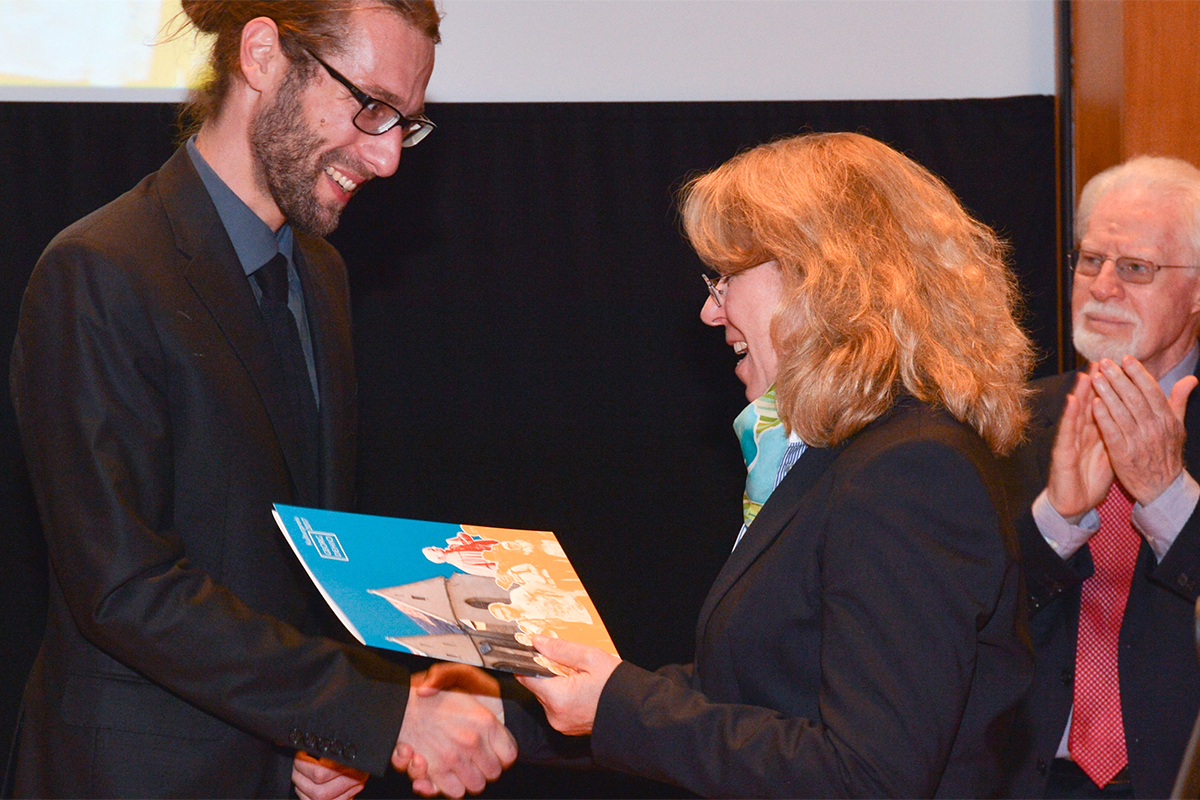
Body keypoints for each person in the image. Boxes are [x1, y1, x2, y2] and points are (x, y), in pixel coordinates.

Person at [5, 2, 515, 798]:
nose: (387, 160)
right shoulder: (100, 271)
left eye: (405, 125)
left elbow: (304, 551)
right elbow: (123, 587)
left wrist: (331, 730)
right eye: (371, 107)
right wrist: (371, 713)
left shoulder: (322, 275)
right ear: (263, 54)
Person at [480, 131, 1035, 798]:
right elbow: (748, 693)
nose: (712, 312)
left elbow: (868, 778)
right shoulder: (837, 458)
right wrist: (509, 720)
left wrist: (618, 706)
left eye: (725, 279)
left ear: (819, 277)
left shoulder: (909, 471)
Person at [1002, 155, 1200, 799]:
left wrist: (1169, 500)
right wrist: (1056, 520)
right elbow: (965, 620)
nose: (1104, 287)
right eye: (1090, 261)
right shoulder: (1009, 422)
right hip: (1030, 779)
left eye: (1135, 268)